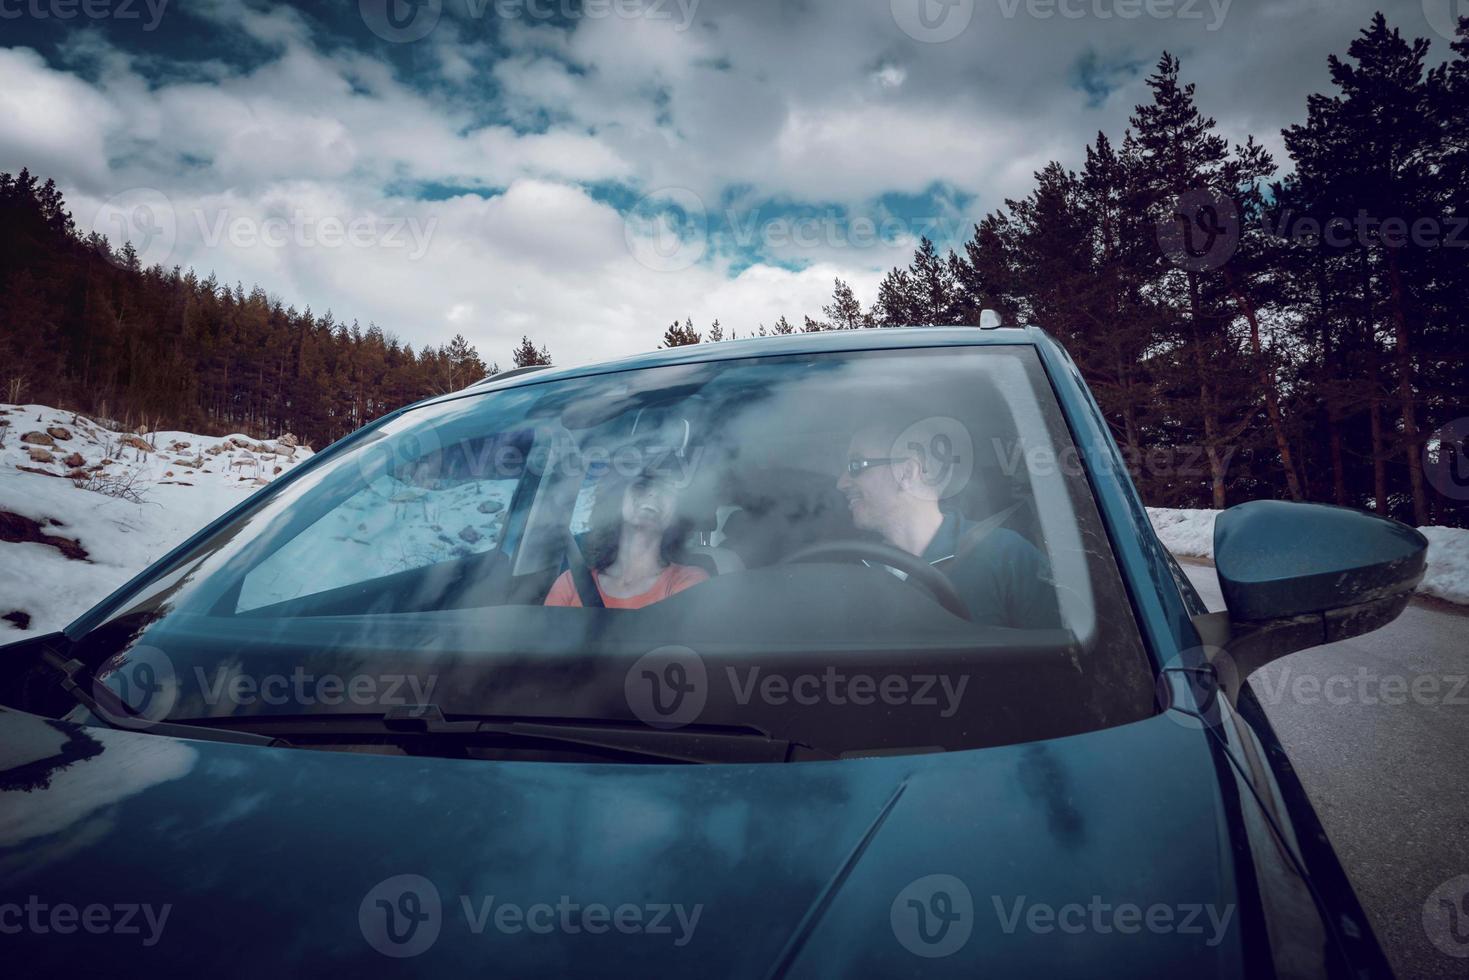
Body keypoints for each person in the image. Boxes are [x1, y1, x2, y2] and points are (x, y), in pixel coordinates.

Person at [836, 421, 1060, 628]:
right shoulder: (845, 568)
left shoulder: (1007, 556)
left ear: (906, 472)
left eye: (856, 466)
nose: (841, 483)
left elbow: (1064, 663)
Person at [545, 470, 709, 609]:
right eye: (642, 485)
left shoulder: (689, 582)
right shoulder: (571, 583)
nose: (653, 493)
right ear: (617, 500)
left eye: (667, 488)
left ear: (676, 514)